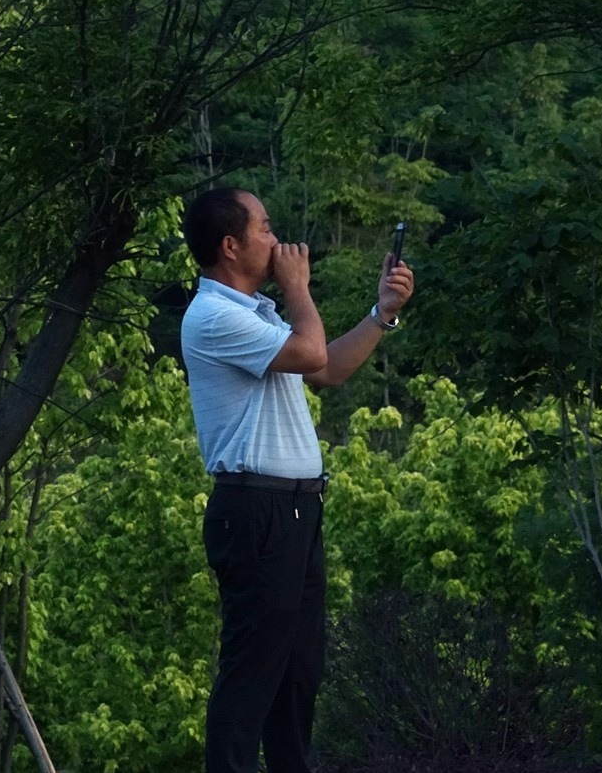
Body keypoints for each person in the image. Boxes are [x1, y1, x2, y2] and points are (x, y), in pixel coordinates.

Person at [179, 188, 415, 773]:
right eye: (265, 227)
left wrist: (380, 312)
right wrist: (298, 289)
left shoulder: (252, 313)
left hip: (294, 510)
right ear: (230, 246)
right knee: (253, 671)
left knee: (297, 673)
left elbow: (327, 368)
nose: (278, 240)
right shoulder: (212, 316)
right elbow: (312, 352)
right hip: (256, 508)